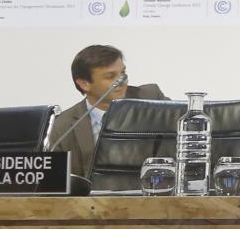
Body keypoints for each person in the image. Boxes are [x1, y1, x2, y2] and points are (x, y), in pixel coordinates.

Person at [49, 44, 167, 179]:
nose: (122, 81)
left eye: (122, 73)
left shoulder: (151, 98)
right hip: (94, 192)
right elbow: (55, 181)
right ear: (84, 84)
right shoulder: (64, 126)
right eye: (111, 76)